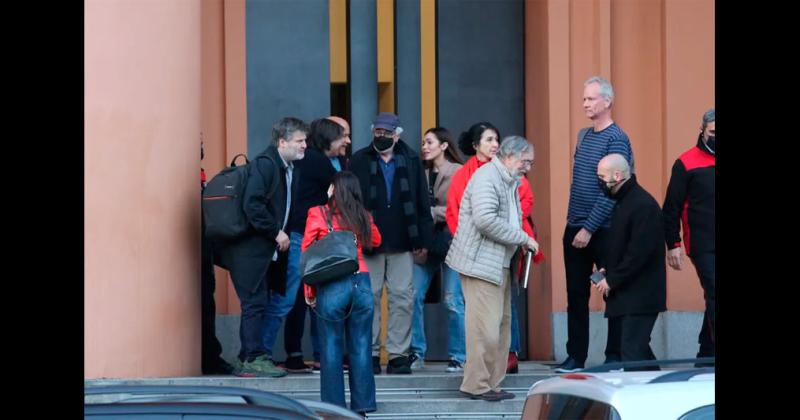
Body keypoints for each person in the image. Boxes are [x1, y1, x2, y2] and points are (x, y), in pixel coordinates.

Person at [446, 135, 539, 402]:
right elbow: (485, 220)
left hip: (498, 264)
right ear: (511, 156)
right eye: (526, 162)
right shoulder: (489, 177)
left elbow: (511, 218)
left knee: (500, 328)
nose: (528, 168)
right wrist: (522, 238)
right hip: (480, 265)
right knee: (484, 329)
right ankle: (477, 385)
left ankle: (491, 384)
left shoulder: (508, 179)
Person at [214, 116, 308, 377]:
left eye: (305, 141)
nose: (304, 146)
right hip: (250, 249)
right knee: (254, 302)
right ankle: (253, 357)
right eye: (299, 141)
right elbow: (252, 204)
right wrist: (275, 232)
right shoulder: (266, 165)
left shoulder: (287, 168)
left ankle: (251, 356)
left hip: (266, 250)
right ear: (282, 141)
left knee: (262, 301)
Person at [556, 76, 634, 373]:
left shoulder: (617, 139)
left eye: (591, 99)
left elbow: (613, 190)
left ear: (607, 102)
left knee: (611, 291)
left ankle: (614, 355)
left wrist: (589, 228)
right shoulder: (583, 136)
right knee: (576, 295)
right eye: (584, 99)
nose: (585, 104)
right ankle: (575, 357)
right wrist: (576, 226)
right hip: (574, 226)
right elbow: (582, 183)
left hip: (604, 230)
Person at [262, 117, 351, 373]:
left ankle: (267, 352)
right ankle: (263, 352)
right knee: (291, 299)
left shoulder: (300, 162)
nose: (345, 141)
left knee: (293, 299)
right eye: (341, 137)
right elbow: (342, 189)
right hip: (306, 236)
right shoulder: (318, 162)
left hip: (300, 235)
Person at [349, 112, 433, 375]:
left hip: (403, 238)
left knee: (402, 298)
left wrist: (422, 239)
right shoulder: (360, 159)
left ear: (397, 135)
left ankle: (398, 355)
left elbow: (421, 200)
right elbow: (351, 200)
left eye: (387, 132)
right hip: (368, 239)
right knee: (368, 298)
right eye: (378, 132)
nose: (382, 136)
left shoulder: (410, 160)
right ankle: (370, 354)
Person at [303, 171, 381, 415]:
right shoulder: (363, 215)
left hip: (332, 283)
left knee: (331, 347)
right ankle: (363, 405)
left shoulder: (318, 213)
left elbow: (307, 252)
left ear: (333, 190)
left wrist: (310, 289)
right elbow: (376, 241)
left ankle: (334, 408)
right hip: (362, 281)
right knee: (360, 345)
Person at [593, 154, 666, 370]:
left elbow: (639, 253)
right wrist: (608, 268)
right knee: (638, 349)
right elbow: (624, 245)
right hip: (630, 295)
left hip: (641, 295)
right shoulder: (626, 202)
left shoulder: (642, 205)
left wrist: (612, 279)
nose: (599, 182)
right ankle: (661, 392)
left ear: (617, 175)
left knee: (632, 350)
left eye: (601, 176)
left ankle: (645, 398)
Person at [408, 127, 465, 372]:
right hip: (426, 242)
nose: (425, 146)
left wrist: (432, 212)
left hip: (453, 242)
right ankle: (416, 352)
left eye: (430, 142)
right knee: (412, 296)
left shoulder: (458, 172)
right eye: (423, 142)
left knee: (453, 300)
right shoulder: (420, 173)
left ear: (444, 146)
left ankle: (459, 356)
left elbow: (462, 209)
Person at [662, 108, 715, 366]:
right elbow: (671, 206)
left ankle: (706, 355)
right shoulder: (686, 162)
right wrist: (673, 243)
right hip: (702, 243)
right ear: (703, 131)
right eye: (713, 132)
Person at [201, 139, 235, 375]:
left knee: (207, 305)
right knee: (204, 305)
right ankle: (209, 357)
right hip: (199, 251)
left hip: (204, 250)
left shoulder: (200, 176)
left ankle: (211, 356)